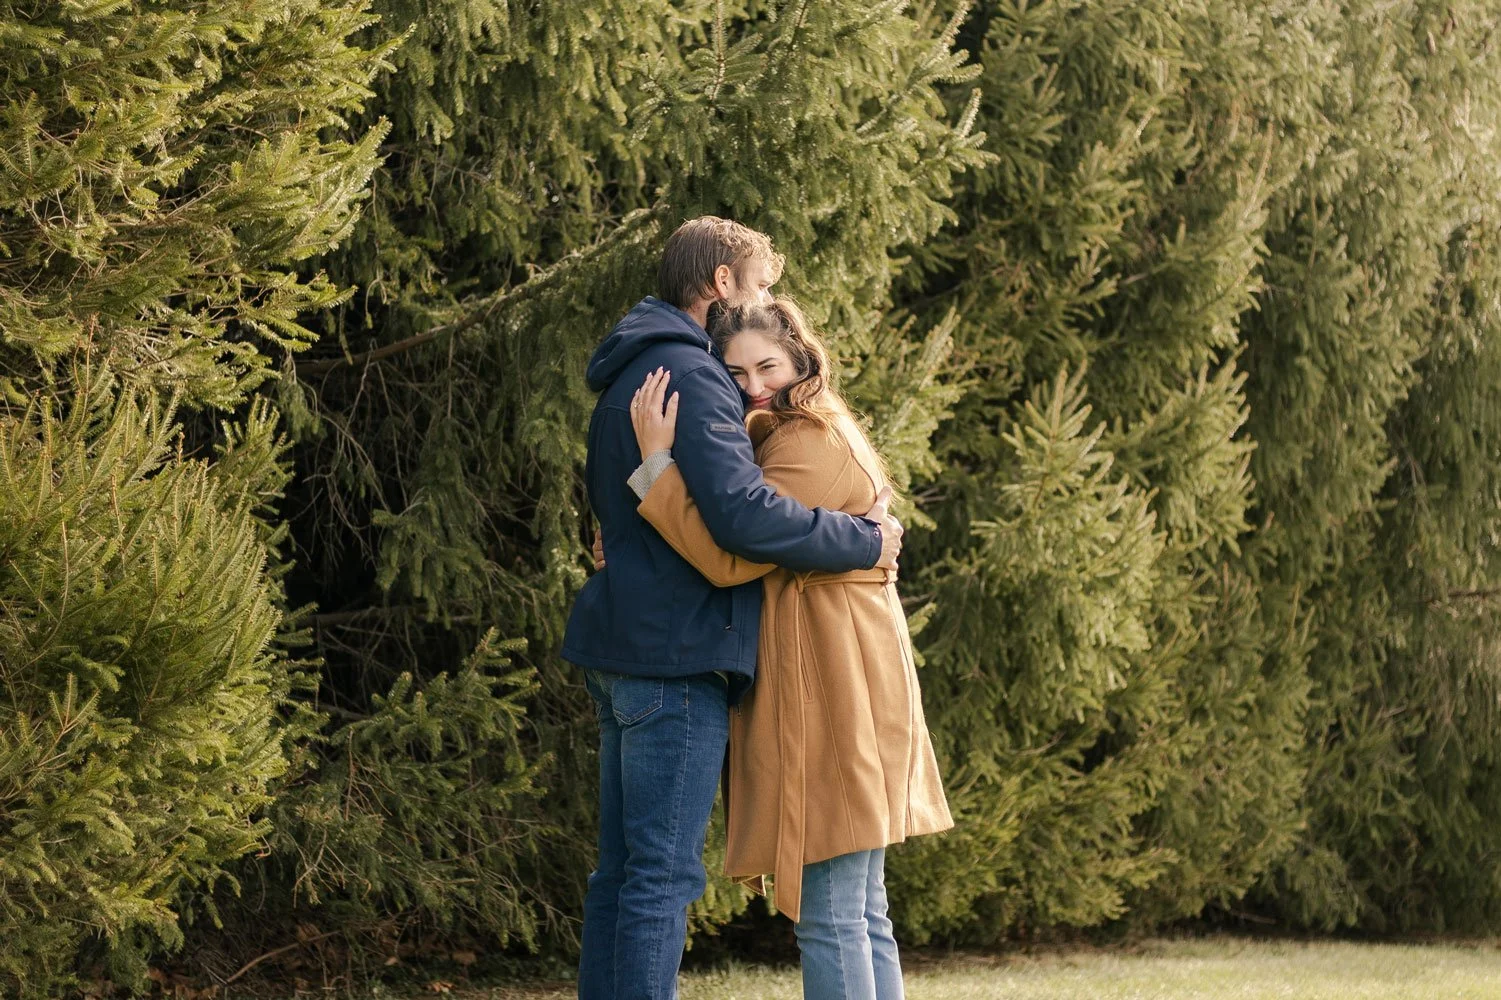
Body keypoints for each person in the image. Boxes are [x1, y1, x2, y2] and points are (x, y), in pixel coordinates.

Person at [560, 217, 904, 1000]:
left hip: (624, 644)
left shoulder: (631, 369)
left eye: (769, 366)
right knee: (659, 878)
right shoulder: (691, 374)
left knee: (623, 874)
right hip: (673, 655)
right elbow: (743, 520)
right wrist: (862, 540)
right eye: (760, 283)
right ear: (722, 285)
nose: (768, 299)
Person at [623, 298, 952, 1000]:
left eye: (766, 365)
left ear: (802, 355)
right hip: (854, 680)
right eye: (735, 371)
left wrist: (655, 466)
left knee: (832, 913)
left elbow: (730, 554)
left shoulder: (804, 441)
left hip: (832, 688)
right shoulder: (817, 423)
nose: (751, 384)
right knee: (861, 910)